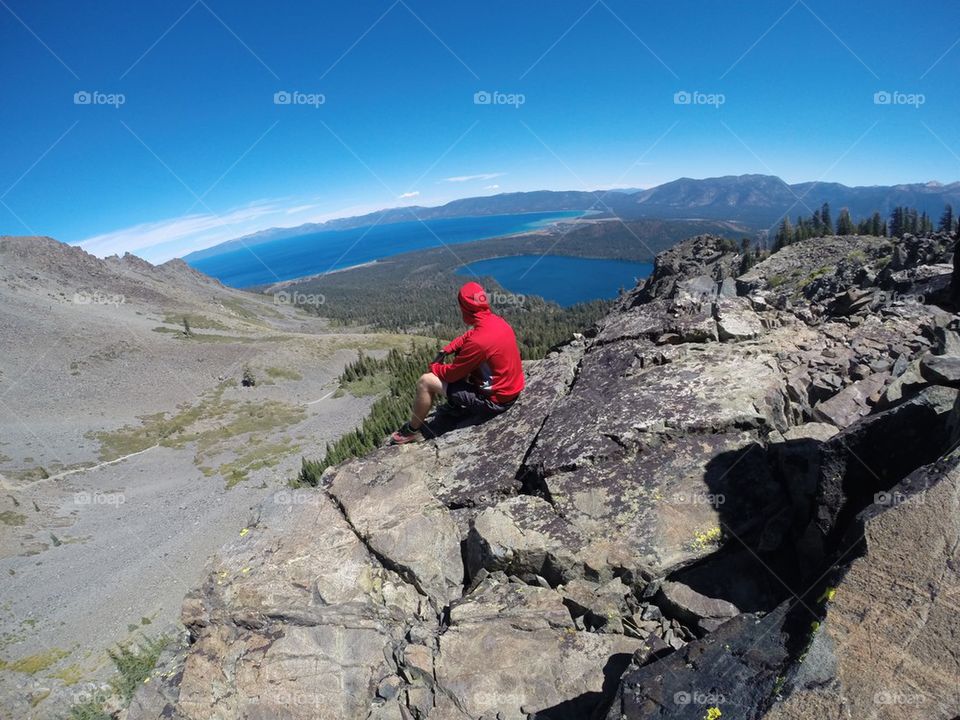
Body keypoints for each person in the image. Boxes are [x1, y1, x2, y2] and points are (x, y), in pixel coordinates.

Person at [391, 281, 525, 444]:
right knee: (463, 352)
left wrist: (434, 368)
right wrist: (448, 349)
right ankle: (455, 406)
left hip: (494, 402)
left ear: (464, 308)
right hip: (510, 390)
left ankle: (411, 431)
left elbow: (453, 374)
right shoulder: (496, 322)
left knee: (425, 381)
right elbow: (471, 336)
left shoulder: (479, 342)